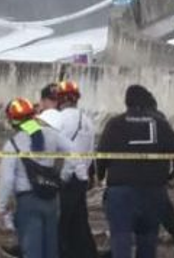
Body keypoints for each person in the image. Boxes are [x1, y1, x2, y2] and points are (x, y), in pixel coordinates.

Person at [96, 84, 174, 258]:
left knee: (121, 240)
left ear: (126, 102)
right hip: (153, 192)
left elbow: (101, 155)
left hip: (121, 193)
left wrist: (100, 176)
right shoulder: (160, 123)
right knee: (147, 242)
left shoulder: (115, 124)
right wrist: (173, 175)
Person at [0, 97, 74, 258]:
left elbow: (6, 180)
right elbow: (74, 152)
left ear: (12, 120)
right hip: (52, 201)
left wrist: (2, 208)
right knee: (51, 251)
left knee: (32, 252)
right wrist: (64, 176)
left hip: (27, 202)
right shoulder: (52, 134)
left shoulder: (12, 145)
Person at [132, 88, 174, 258]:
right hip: (157, 181)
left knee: (130, 227)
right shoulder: (161, 120)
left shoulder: (131, 121)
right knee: (172, 224)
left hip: (135, 182)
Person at [51, 81, 100, 258]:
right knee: (79, 223)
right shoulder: (87, 121)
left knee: (59, 225)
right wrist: (89, 175)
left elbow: (52, 146)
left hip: (66, 179)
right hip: (80, 179)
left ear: (60, 99)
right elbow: (90, 152)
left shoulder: (60, 119)